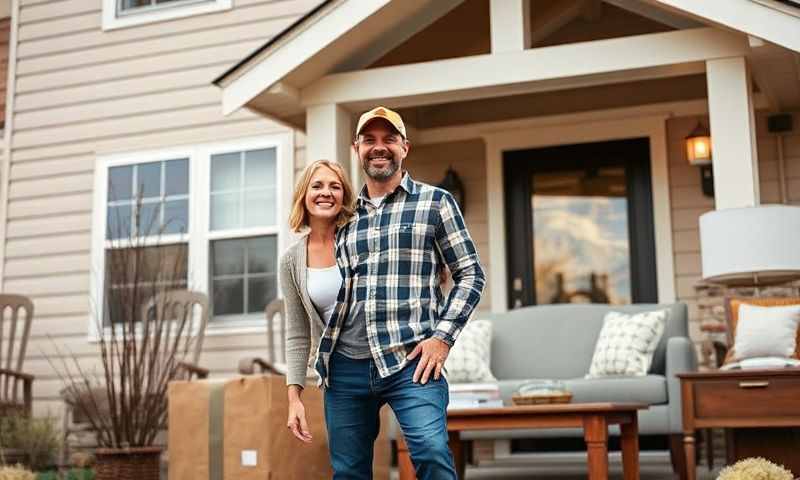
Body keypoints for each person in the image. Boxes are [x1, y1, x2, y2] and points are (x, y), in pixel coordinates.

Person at [316, 106, 486, 479]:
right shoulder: (342, 218)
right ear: (356, 148)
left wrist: (442, 338)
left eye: (389, 139)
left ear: (404, 147)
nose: (380, 148)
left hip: (412, 361)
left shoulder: (435, 203)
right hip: (346, 366)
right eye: (370, 140)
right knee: (348, 472)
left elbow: (471, 273)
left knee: (431, 452)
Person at [281, 159, 356, 444]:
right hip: (340, 373)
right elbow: (297, 333)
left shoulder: (359, 239)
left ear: (344, 197)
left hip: (383, 361)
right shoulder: (291, 260)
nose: (326, 192)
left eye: (335, 186)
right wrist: (294, 397)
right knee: (348, 467)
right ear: (304, 195)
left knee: (425, 448)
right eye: (317, 186)